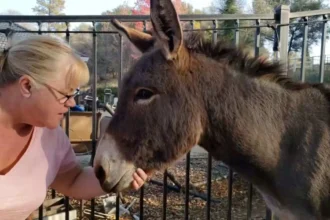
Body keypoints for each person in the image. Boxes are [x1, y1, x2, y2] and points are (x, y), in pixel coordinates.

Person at [0, 35, 148, 219]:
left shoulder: (51, 137)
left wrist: (118, 176)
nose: (71, 103)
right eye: (66, 94)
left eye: (74, 93)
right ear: (27, 86)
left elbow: (73, 181)